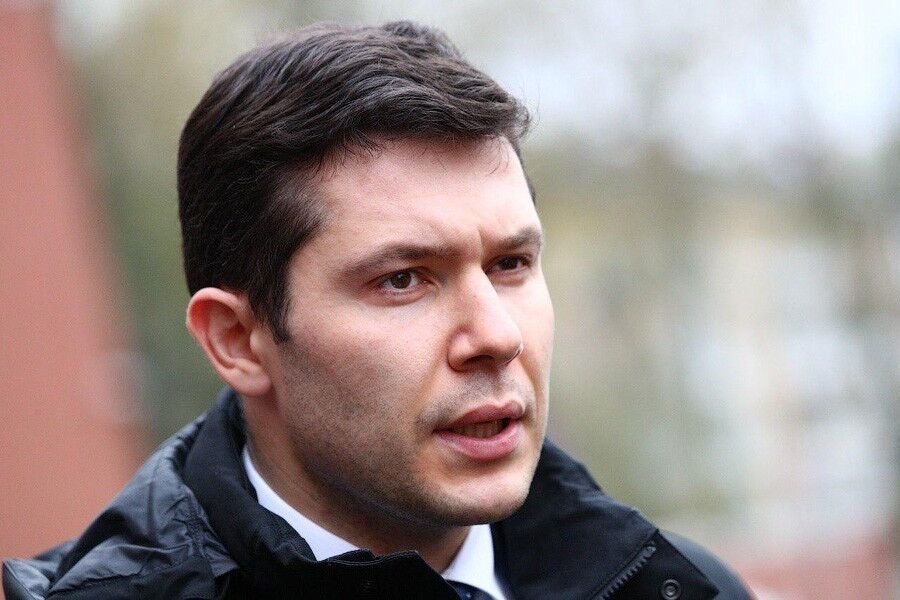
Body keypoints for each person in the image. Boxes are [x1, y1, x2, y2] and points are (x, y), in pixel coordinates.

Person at [2, 21, 751, 599]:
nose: (497, 336)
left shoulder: (679, 584)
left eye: (510, 264)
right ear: (238, 340)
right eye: (403, 280)